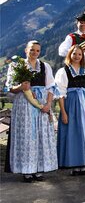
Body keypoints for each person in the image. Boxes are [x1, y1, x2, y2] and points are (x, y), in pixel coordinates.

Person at [5, 41, 58, 182]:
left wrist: (48, 104)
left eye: (37, 50)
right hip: (24, 105)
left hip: (41, 103)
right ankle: (26, 171)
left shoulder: (45, 66)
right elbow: (9, 87)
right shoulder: (16, 65)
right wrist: (20, 87)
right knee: (27, 136)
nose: (35, 53)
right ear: (25, 50)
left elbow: (52, 87)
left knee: (41, 135)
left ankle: (39, 169)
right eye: (32, 50)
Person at [54, 45, 85, 175]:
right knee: (73, 133)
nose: (77, 56)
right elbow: (61, 95)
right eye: (74, 54)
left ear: (82, 56)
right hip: (71, 104)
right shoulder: (63, 71)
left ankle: (84, 163)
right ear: (70, 55)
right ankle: (74, 164)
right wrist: (63, 112)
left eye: (79, 54)